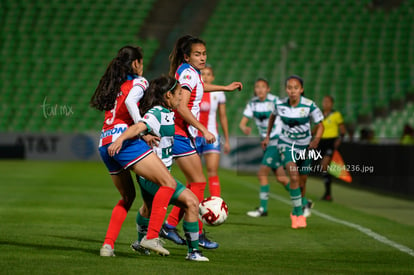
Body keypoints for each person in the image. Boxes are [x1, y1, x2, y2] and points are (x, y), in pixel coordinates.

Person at [108, 76, 209, 261]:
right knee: (192, 203)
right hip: (156, 178)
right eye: (179, 93)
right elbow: (139, 126)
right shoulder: (158, 113)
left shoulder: (167, 112)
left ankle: (140, 242)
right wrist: (120, 139)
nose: (181, 97)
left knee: (147, 208)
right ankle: (193, 252)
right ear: (168, 95)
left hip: (149, 177)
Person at [90, 46, 176, 257]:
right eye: (142, 62)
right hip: (124, 142)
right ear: (136, 63)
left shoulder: (115, 85)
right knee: (169, 183)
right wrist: (143, 131)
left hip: (105, 143)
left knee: (127, 197)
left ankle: (107, 246)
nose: (143, 66)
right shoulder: (139, 82)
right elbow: (130, 102)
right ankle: (151, 237)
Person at [160, 35, 242, 249]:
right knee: (197, 183)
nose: (202, 57)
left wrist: (225, 87)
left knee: (193, 183)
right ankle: (193, 234)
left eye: (204, 53)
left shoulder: (190, 72)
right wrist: (203, 129)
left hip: (183, 134)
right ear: (187, 56)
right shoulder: (187, 72)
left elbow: (200, 87)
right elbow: (182, 106)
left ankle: (169, 225)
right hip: (180, 133)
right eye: (197, 54)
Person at [263, 75, 324, 229]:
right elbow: (272, 118)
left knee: (302, 182)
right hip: (286, 144)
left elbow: (320, 124)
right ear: (286, 89)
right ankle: (297, 213)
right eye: (289, 88)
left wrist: (316, 139)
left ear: (301, 89)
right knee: (294, 176)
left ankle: (299, 208)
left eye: (296, 88)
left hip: (306, 146)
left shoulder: (310, 105)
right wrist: (268, 136)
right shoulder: (280, 104)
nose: (292, 91)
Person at [239, 78, 289, 217]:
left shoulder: (275, 101)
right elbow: (243, 122)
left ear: (268, 89)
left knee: (262, 173)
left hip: (277, 140)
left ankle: (263, 209)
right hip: (266, 142)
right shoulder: (253, 103)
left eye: (263, 87)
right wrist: (244, 127)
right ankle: (303, 202)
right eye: (257, 87)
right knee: (281, 178)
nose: (260, 89)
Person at [194, 65, 231, 197]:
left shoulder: (218, 93)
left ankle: (216, 205)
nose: (205, 76)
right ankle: (195, 206)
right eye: (203, 73)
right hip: (194, 137)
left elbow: (223, 117)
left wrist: (226, 140)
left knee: (212, 171)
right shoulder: (194, 90)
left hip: (212, 136)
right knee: (194, 175)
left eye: (208, 74)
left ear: (213, 77)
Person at [318, 95, 346, 201]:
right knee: (323, 167)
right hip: (321, 141)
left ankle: (328, 194)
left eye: (327, 102)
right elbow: (317, 127)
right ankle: (327, 193)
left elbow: (342, 130)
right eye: (324, 101)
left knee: (324, 165)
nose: (325, 104)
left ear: (332, 104)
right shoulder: (320, 114)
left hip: (331, 141)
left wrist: (339, 140)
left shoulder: (336, 115)